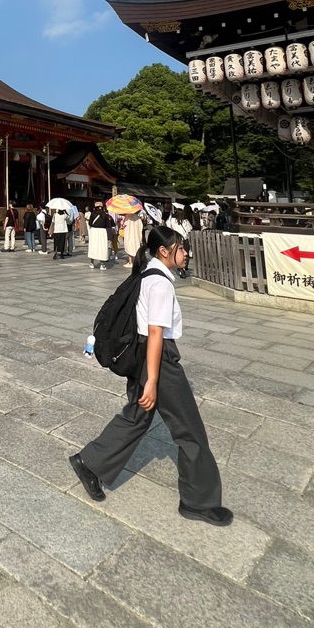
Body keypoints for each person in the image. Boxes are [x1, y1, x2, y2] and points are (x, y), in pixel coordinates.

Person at [68, 225, 233, 527]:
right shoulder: (160, 284)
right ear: (164, 251)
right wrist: (154, 381)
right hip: (160, 360)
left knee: (137, 417)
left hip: (143, 356)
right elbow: (156, 332)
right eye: (181, 248)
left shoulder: (148, 274)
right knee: (190, 431)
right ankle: (198, 502)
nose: (186, 253)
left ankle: (89, 463)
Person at [87, 201, 112, 270]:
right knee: (102, 247)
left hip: (94, 231)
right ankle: (102, 264)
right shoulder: (105, 215)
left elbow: (90, 223)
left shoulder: (92, 214)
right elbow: (108, 225)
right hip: (102, 232)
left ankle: (92, 263)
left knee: (93, 246)